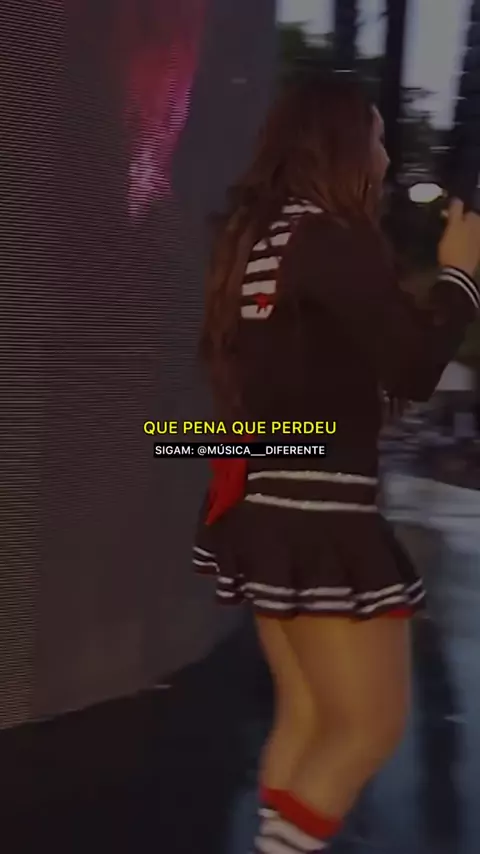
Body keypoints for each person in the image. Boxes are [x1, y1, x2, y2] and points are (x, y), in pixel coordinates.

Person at [192, 72, 480, 853]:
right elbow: (414, 366)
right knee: (368, 726)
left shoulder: (259, 241)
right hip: (319, 514)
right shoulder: (328, 236)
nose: (385, 157)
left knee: (309, 717)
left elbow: (298, 379)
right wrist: (460, 275)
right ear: (342, 144)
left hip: (266, 504)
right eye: (378, 137)